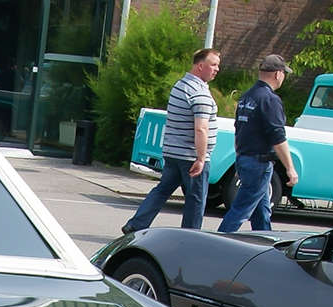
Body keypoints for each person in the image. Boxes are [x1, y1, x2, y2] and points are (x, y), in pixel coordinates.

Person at [122, 48, 221, 233]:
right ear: (200, 66)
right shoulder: (200, 94)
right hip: (191, 156)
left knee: (161, 191)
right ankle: (191, 236)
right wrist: (201, 158)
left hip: (173, 152)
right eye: (213, 65)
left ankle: (136, 224)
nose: (217, 69)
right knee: (196, 199)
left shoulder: (180, 85)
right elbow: (201, 128)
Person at [218, 54, 299, 232]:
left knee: (261, 211)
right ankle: (218, 242)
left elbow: (239, 128)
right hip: (259, 163)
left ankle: (264, 242)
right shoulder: (270, 99)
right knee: (240, 210)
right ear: (278, 74)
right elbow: (277, 136)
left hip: (244, 158)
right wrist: (290, 168)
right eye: (284, 73)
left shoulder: (248, 96)